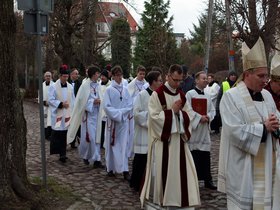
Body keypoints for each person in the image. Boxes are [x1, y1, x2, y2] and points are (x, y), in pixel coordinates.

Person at [218, 37, 279, 209]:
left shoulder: (267, 96)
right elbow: (234, 132)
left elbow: (275, 119)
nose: (265, 80)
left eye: (267, 75)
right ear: (247, 74)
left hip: (267, 163)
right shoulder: (231, 97)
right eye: (261, 76)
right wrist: (263, 128)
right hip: (243, 168)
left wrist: (275, 125)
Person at [140, 64, 200, 209]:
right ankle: (162, 200)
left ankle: (179, 199)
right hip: (163, 143)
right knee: (163, 174)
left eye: (181, 80)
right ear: (168, 76)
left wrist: (179, 114)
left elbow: (189, 114)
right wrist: (172, 112)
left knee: (182, 174)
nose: (178, 84)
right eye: (175, 80)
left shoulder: (181, 95)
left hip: (179, 142)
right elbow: (154, 118)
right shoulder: (157, 94)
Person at [130, 70, 162, 192]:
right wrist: (152, 118)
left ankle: (151, 184)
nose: (161, 82)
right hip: (143, 133)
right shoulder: (142, 95)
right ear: (153, 82)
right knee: (140, 160)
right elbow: (136, 113)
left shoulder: (160, 95)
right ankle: (135, 184)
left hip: (155, 133)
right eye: (159, 80)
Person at [67, 65, 104, 168]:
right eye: (97, 73)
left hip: (97, 114)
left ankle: (94, 159)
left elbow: (101, 97)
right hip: (88, 115)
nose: (99, 75)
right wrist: (93, 102)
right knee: (90, 138)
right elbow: (81, 101)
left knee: (96, 138)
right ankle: (90, 157)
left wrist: (100, 101)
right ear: (93, 74)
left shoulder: (98, 85)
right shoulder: (85, 85)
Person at [186, 71, 216, 190]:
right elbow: (187, 109)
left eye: (206, 78)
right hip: (195, 130)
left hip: (204, 131)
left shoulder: (208, 95)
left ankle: (207, 180)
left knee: (205, 155)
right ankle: (192, 181)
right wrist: (199, 118)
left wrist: (208, 116)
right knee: (194, 155)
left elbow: (213, 110)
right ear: (196, 80)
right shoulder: (190, 94)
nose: (205, 80)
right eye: (203, 78)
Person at [103, 65, 133, 181]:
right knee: (112, 144)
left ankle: (125, 170)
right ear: (113, 76)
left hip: (123, 123)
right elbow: (106, 106)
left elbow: (130, 105)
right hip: (113, 123)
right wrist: (118, 115)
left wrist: (122, 114)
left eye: (121, 75)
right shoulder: (109, 90)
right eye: (117, 75)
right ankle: (110, 168)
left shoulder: (125, 90)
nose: (119, 78)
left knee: (124, 145)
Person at [48, 64, 75, 163]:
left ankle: (63, 154)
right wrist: (60, 104)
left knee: (64, 134)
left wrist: (73, 110)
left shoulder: (70, 86)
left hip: (67, 113)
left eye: (67, 76)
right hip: (58, 113)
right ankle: (59, 152)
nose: (65, 78)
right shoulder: (53, 86)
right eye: (64, 76)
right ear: (60, 76)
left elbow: (73, 100)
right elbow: (51, 100)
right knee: (58, 133)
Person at [68, 67, 81, 148]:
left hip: (76, 107)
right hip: (68, 107)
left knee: (76, 124)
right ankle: (70, 140)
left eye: (77, 74)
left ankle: (75, 139)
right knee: (69, 124)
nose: (77, 75)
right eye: (76, 73)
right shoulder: (67, 83)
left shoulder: (79, 83)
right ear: (71, 74)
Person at [99, 70, 111, 149]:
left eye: (104, 76)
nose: (102, 77)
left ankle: (106, 142)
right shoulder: (98, 85)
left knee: (107, 128)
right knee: (101, 128)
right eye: (101, 76)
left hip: (107, 110)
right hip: (100, 110)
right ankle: (100, 142)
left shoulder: (110, 86)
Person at [42, 71, 54, 141]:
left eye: (49, 76)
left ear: (51, 77)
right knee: (45, 121)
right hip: (44, 106)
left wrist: (50, 102)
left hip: (52, 107)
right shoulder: (42, 85)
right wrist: (43, 102)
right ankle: (45, 135)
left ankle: (51, 135)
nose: (48, 77)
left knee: (51, 121)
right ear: (44, 77)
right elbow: (40, 96)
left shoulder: (54, 85)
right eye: (47, 76)